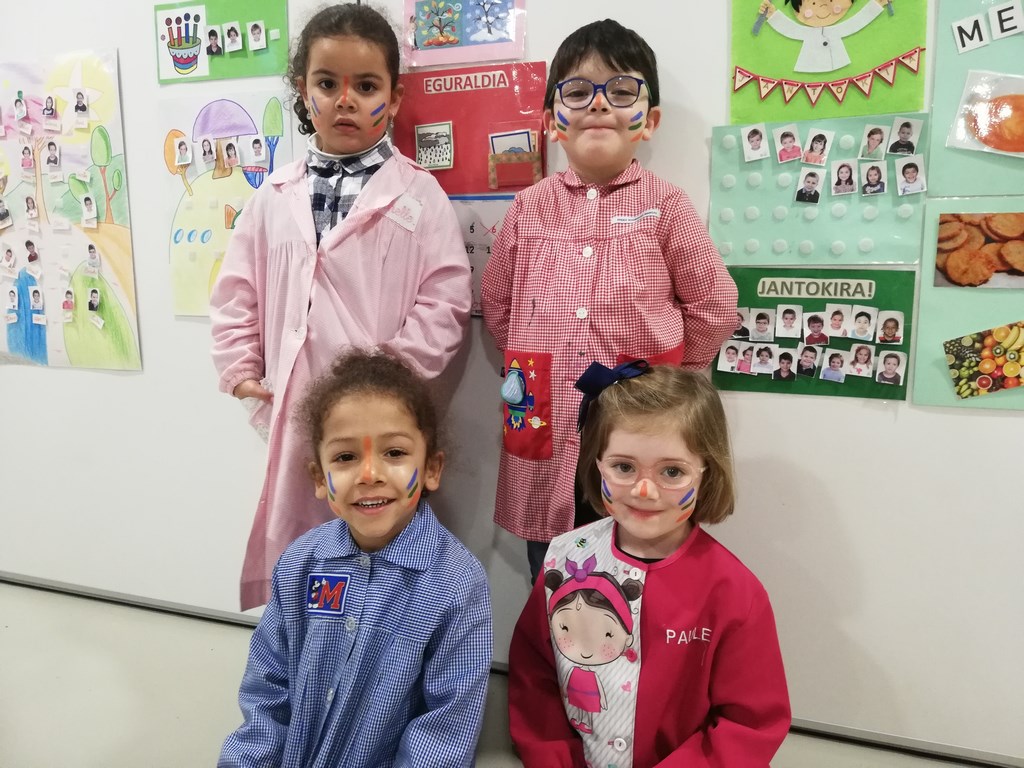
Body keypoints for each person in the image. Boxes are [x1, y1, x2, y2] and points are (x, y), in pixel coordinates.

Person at [210, 4, 472, 610]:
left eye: (367, 87)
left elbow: (445, 299)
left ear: (395, 98)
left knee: (379, 526)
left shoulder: (419, 196)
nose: (345, 101)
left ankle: (383, 643)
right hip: (297, 401)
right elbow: (236, 290)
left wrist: (394, 373)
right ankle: (308, 643)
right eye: (327, 84)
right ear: (304, 93)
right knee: (303, 541)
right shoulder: (274, 196)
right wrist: (240, 365)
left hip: (380, 408)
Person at [480, 19, 737, 581]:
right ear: (551, 121)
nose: (598, 104)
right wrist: (532, 367)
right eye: (577, 92)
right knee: (552, 569)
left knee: (641, 561)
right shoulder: (527, 208)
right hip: (543, 419)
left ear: (651, 120)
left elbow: (715, 306)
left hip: (640, 429)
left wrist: (668, 381)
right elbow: (497, 304)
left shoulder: (667, 206)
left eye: (621, 91)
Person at [508, 361, 790, 767]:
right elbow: (534, 677)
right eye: (624, 467)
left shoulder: (735, 592)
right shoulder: (564, 557)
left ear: (707, 474)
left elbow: (749, 724)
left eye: (672, 471)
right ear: (596, 463)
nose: (643, 490)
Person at [219, 349, 492, 767]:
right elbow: (266, 691)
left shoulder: (457, 584)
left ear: (432, 469)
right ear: (318, 477)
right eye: (346, 457)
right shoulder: (299, 564)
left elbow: (444, 732)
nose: (369, 475)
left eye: (394, 453)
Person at [757, 0, 891, 73]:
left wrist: (876, 4)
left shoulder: (837, 29)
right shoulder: (806, 32)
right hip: (809, 65)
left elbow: (857, 22)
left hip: (839, 65)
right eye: (813, 4)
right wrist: (772, 15)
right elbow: (789, 29)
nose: (822, 7)